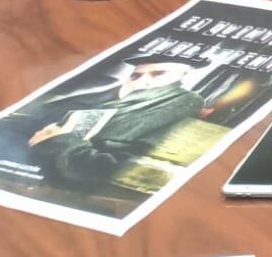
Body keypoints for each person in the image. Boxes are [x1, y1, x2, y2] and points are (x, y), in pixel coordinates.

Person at [11, 53, 206, 187]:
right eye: (136, 75)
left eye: (158, 73)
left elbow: (108, 168)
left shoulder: (182, 101)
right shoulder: (110, 96)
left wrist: (60, 140)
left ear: (183, 74)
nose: (141, 81)